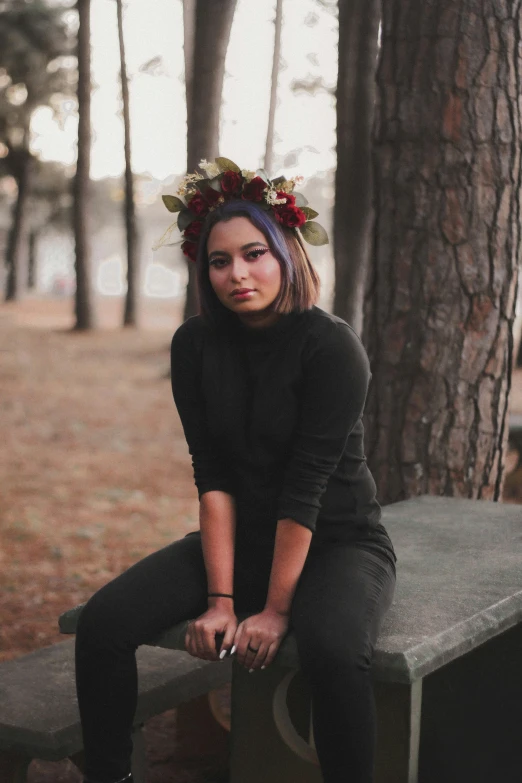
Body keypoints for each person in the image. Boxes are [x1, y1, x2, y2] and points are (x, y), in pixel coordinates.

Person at [75, 160, 397, 783]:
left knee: (333, 653)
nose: (237, 274)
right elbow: (212, 475)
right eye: (219, 261)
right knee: (103, 625)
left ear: (287, 254)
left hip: (336, 542)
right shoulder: (194, 346)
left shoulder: (331, 347)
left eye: (254, 254)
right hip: (240, 541)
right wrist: (221, 599)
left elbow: (305, 489)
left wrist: (275, 611)